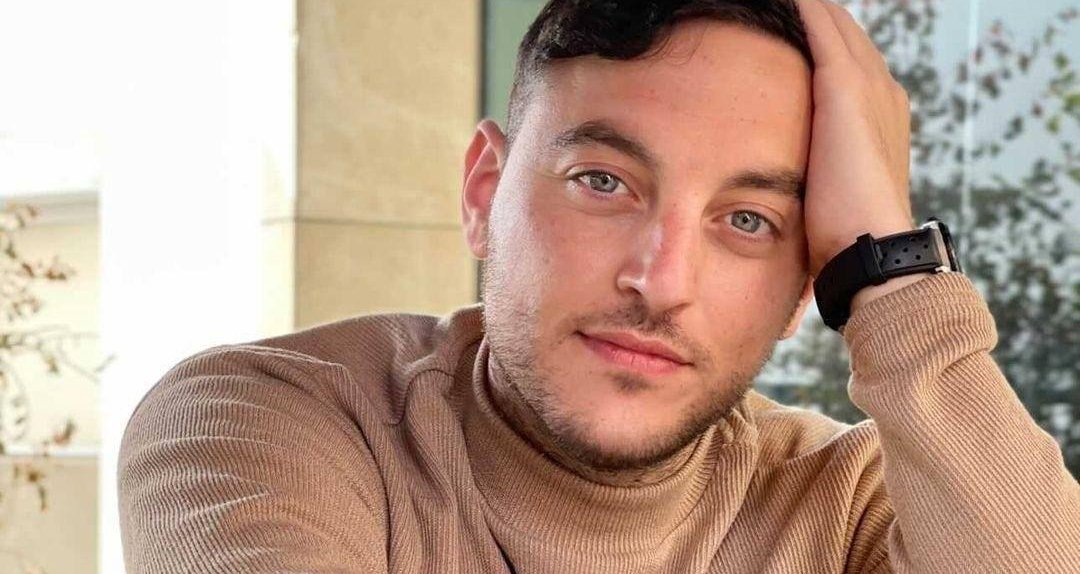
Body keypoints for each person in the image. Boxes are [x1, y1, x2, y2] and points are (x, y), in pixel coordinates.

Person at [117, 0, 1080, 572]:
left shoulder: (853, 503)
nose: (659, 283)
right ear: (485, 194)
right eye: (603, 183)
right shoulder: (269, 424)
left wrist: (894, 268)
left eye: (749, 221)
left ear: (807, 287)